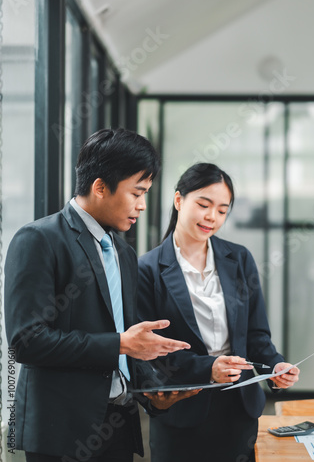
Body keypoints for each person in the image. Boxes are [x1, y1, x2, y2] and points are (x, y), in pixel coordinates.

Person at [4, 128, 195, 462]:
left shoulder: (122, 252)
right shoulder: (38, 239)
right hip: (62, 431)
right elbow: (26, 342)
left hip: (118, 424)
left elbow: (125, 339)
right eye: (137, 193)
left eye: (146, 193)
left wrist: (152, 391)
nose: (143, 205)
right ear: (100, 187)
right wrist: (120, 343)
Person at [137, 163, 300, 462]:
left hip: (239, 411)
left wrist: (275, 367)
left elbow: (256, 335)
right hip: (181, 415)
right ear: (178, 201)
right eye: (203, 204)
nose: (212, 216)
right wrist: (208, 367)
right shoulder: (147, 269)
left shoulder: (238, 259)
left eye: (222, 210)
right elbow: (149, 352)